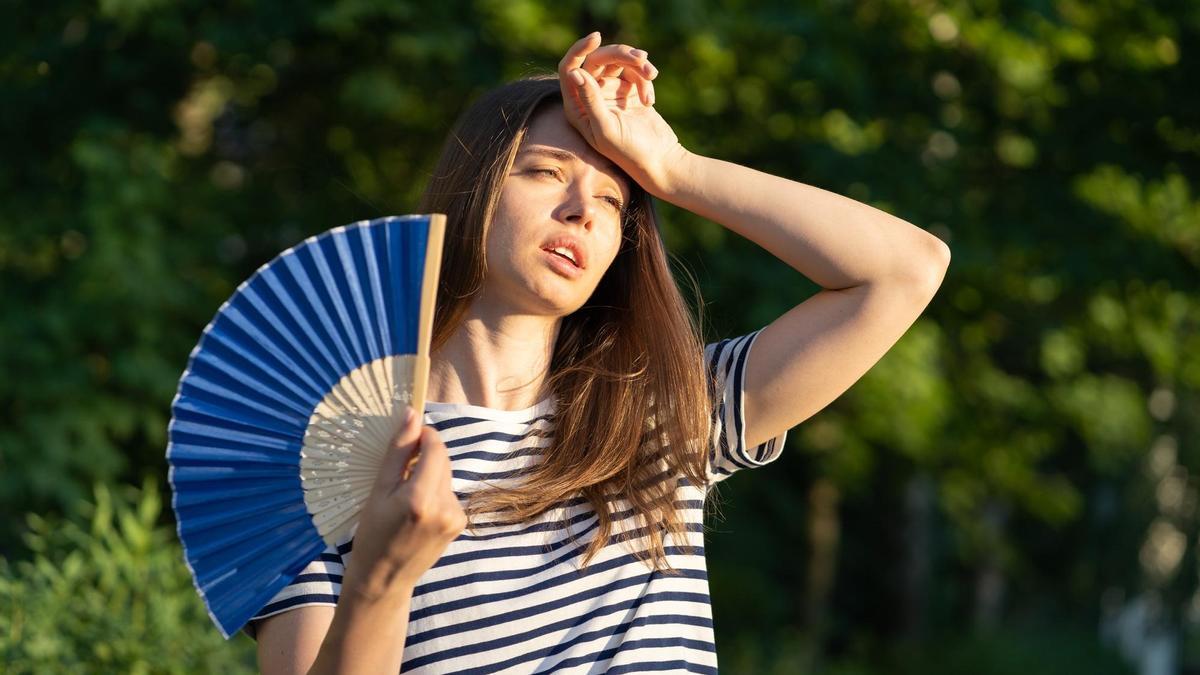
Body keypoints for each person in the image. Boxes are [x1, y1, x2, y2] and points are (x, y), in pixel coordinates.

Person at [250, 31, 950, 674]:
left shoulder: (666, 412)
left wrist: (673, 170)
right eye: (547, 172)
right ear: (473, 191)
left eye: (613, 200)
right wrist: (381, 577)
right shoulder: (331, 459)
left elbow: (905, 270)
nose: (583, 209)